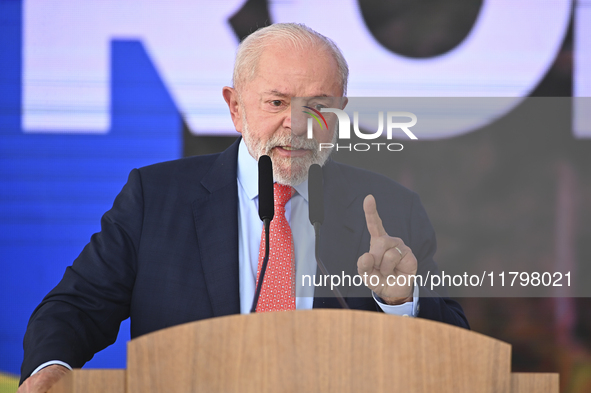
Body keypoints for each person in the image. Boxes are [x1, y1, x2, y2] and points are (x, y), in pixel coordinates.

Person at [18, 23, 469, 392]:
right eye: (276, 102)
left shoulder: (390, 208)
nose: (296, 126)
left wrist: (400, 301)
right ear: (235, 107)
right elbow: (76, 307)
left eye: (318, 107)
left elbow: (455, 349)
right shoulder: (154, 197)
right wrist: (49, 371)